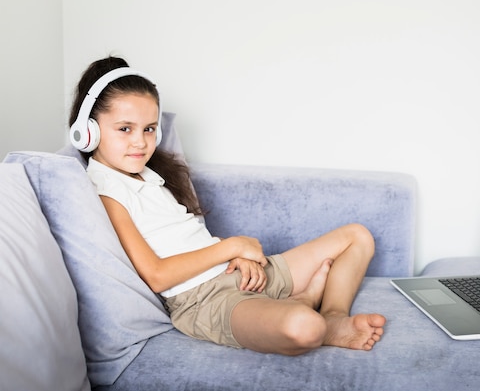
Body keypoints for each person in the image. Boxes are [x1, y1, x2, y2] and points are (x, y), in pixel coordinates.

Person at [68, 56, 386, 355]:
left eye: (149, 129)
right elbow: (157, 275)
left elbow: (183, 240)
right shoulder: (107, 191)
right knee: (305, 328)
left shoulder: (146, 175)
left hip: (240, 272)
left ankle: (332, 313)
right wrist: (233, 246)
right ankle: (306, 310)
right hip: (206, 300)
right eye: (125, 129)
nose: (140, 141)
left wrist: (236, 255)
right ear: (89, 132)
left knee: (358, 236)